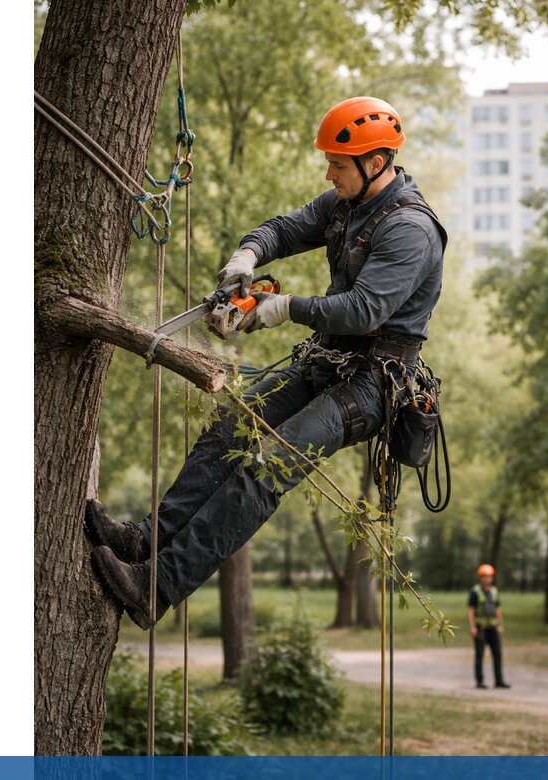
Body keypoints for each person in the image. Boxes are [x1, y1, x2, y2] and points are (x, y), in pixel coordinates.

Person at [87, 96, 448, 629]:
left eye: (338, 164)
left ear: (376, 163)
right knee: (230, 429)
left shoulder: (410, 229)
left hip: (371, 385)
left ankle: (156, 588)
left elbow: (365, 309)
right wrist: (248, 254)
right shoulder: (345, 203)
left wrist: (281, 308)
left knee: (263, 470)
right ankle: (146, 540)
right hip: (327, 361)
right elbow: (284, 228)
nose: (329, 173)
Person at [467, 564, 511, 689]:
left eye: (489, 576)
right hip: (480, 628)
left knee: (497, 653)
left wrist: (500, 625)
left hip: (493, 627)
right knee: (480, 654)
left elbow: (497, 609)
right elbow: (470, 610)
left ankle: (499, 680)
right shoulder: (475, 592)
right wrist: (472, 626)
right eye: (485, 577)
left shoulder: (494, 591)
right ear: (480, 578)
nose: (487, 579)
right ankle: (479, 680)